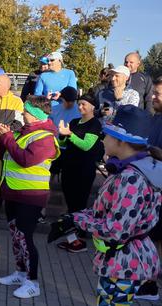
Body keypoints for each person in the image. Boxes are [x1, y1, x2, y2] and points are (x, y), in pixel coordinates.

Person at [58, 105, 160, 305]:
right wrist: (74, 218)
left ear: (122, 141)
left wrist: (79, 221)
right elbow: (108, 211)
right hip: (124, 261)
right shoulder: (135, 170)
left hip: (124, 262)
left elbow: (116, 230)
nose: (103, 140)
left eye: (107, 135)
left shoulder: (130, 178)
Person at [0, 95, 59, 299]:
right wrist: (2, 138)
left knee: (25, 237)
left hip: (31, 196)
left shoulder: (46, 138)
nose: (23, 114)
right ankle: (20, 272)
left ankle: (33, 282)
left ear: (36, 114)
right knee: (15, 235)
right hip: (13, 191)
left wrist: (8, 139)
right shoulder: (23, 132)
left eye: (26, 111)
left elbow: (25, 159)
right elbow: (3, 155)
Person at [55, 94, 103, 253]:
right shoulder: (75, 121)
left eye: (84, 104)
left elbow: (87, 145)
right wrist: (62, 134)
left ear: (92, 107)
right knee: (70, 205)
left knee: (79, 205)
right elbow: (63, 143)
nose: (80, 107)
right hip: (69, 167)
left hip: (84, 170)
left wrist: (70, 134)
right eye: (79, 104)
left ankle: (80, 240)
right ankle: (72, 240)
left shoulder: (95, 124)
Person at [135, 76, 162, 301]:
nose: (153, 97)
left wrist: (151, 151)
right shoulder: (155, 118)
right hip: (152, 189)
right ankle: (150, 284)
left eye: (158, 95)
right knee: (152, 237)